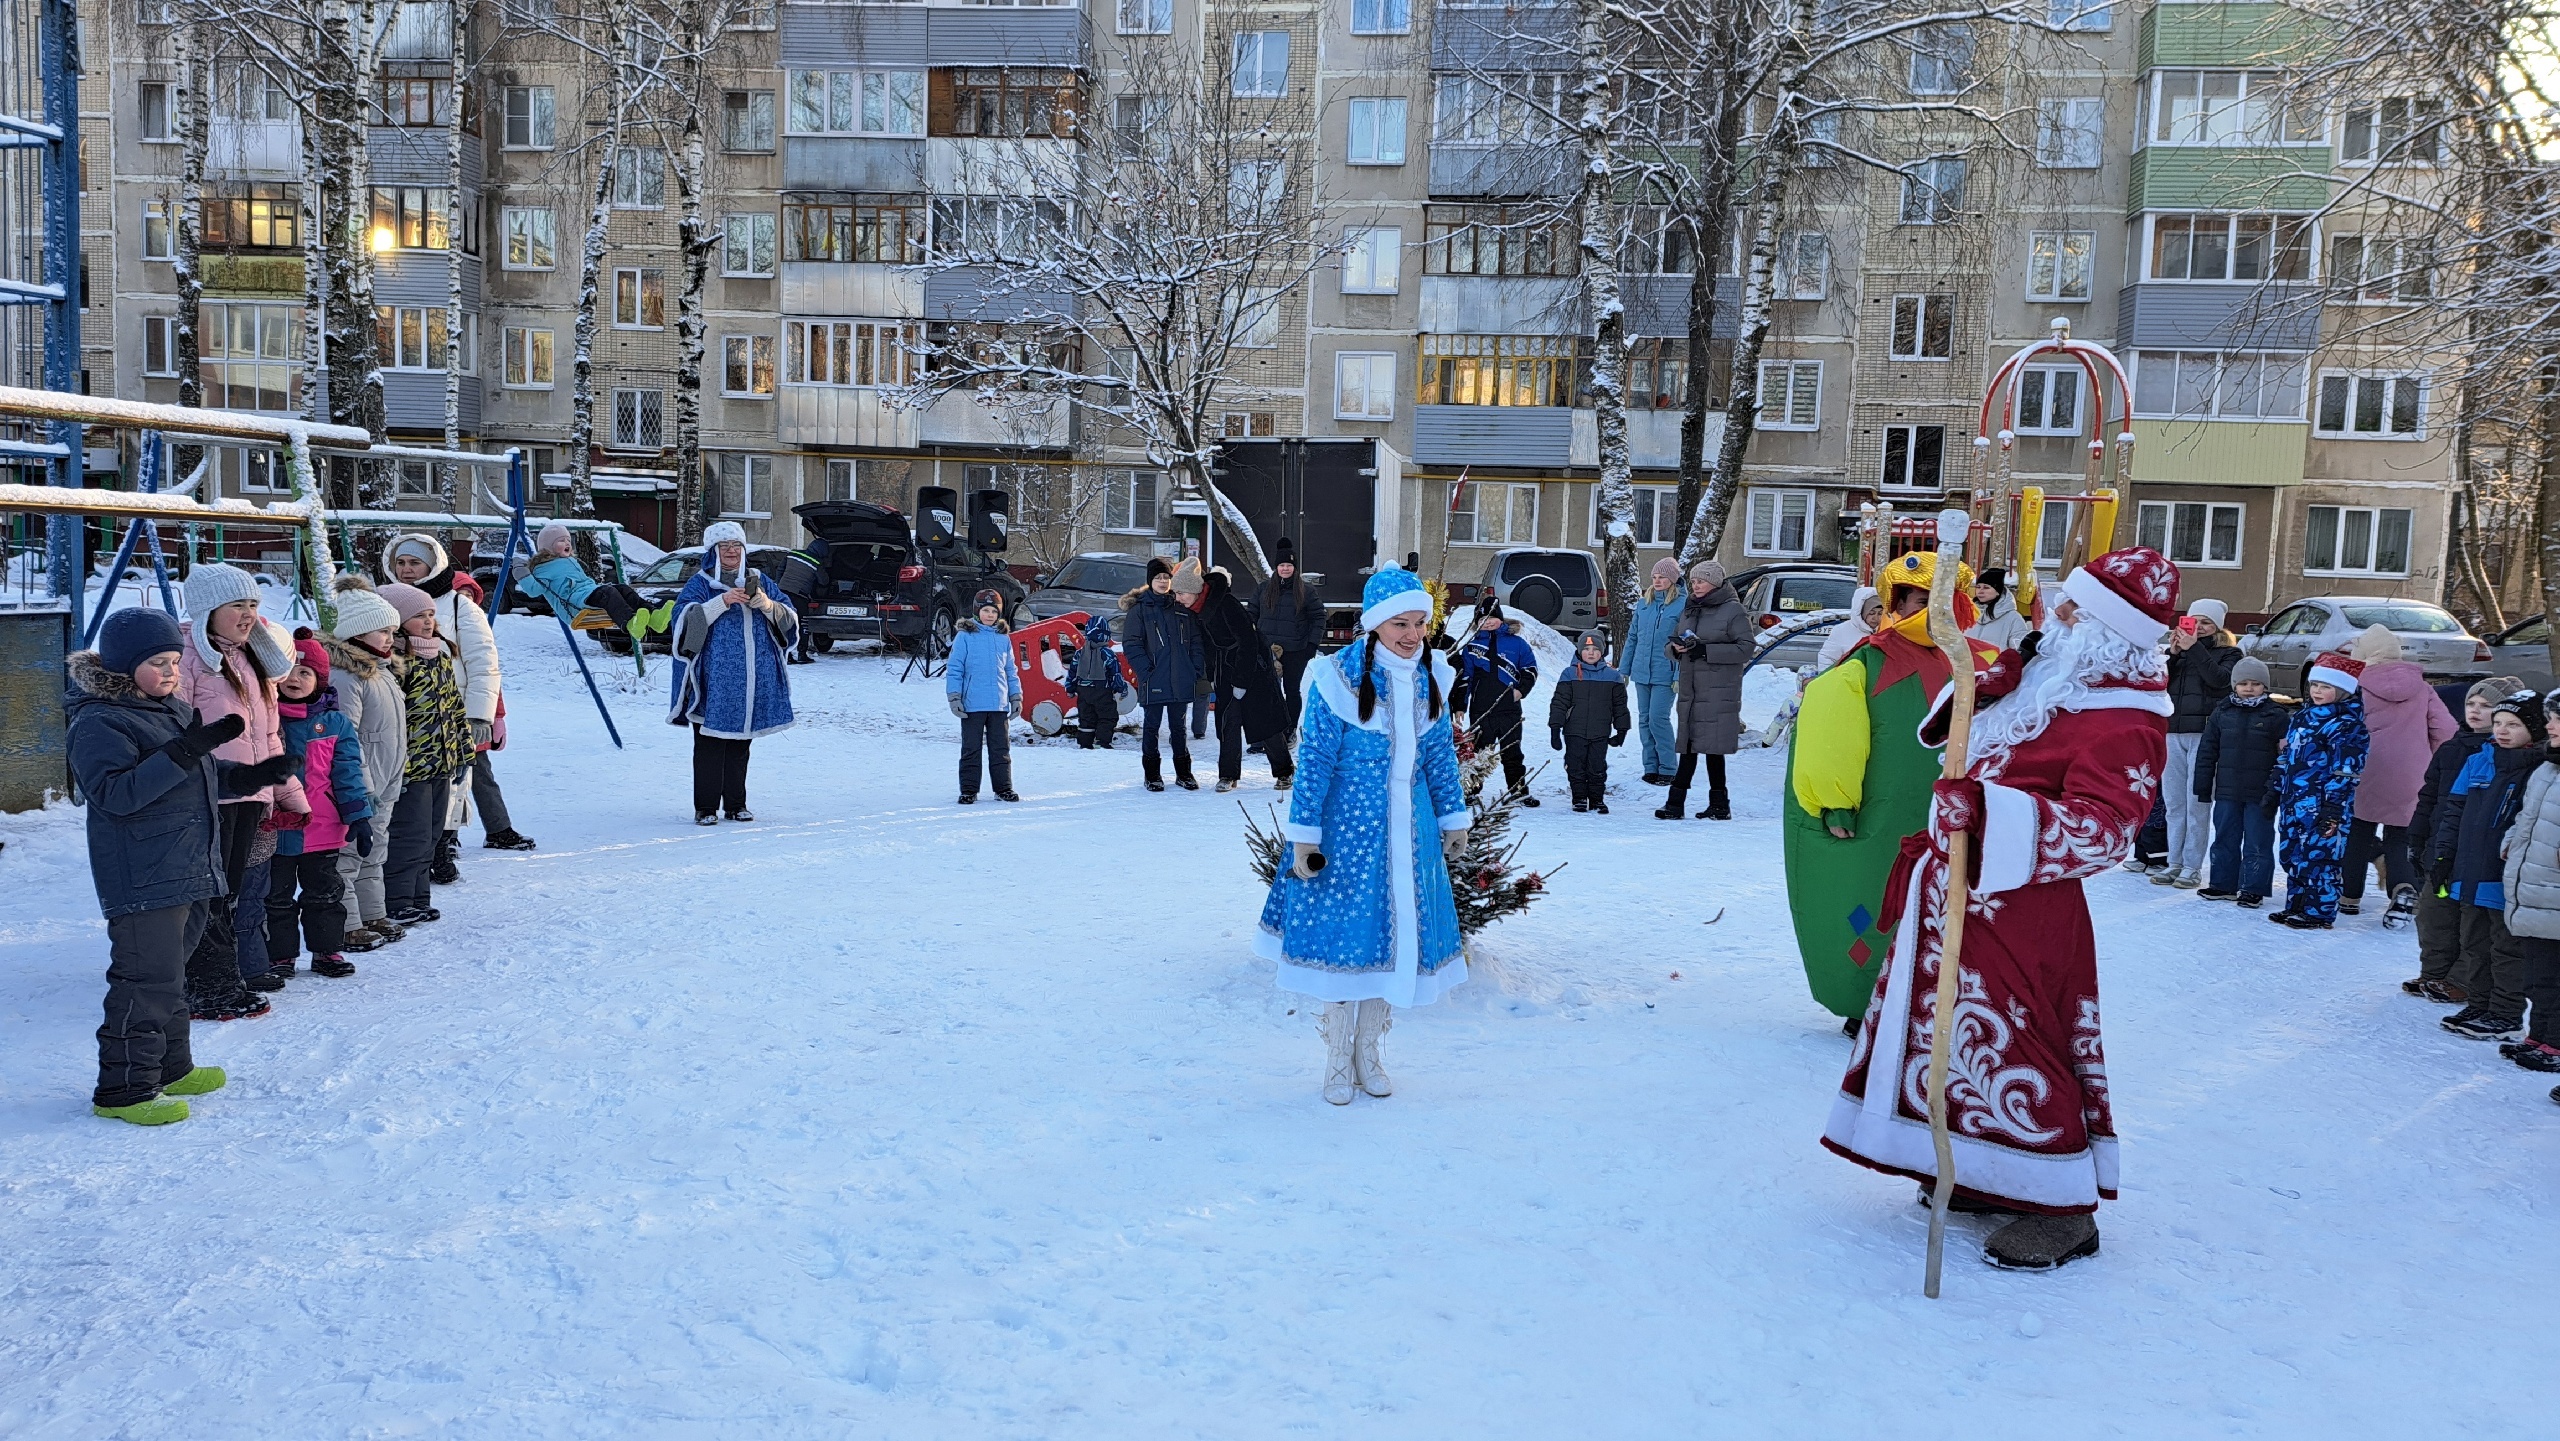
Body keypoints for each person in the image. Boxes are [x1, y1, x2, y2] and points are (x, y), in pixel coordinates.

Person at [1824, 545, 2181, 1271]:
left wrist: (1987, 812)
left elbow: (2105, 829)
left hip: (2024, 910)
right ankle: (1983, 1171)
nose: (2061, 611)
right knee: (1948, 1037)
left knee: (2022, 1046)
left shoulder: (2127, 719)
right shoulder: (2052, 677)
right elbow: (1961, 746)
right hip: (1955, 893)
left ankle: (2062, 1207)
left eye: (2078, 608)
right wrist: (1984, 690)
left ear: (2113, 631)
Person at [70, 608, 294, 1124]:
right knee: (144, 980)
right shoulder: (100, 720)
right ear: (124, 667)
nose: (171, 672)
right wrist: (186, 748)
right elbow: (115, 794)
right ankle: (124, 1090)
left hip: (189, 865)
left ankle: (170, 1067)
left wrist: (253, 775)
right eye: (158, 662)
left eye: (175, 660)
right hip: (143, 874)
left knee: (171, 977)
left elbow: (200, 775)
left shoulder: (168, 710)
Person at [1256, 567, 1470, 1105]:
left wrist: (1452, 817)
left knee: (1397, 944)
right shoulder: (1335, 678)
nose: (1412, 634)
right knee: (1347, 940)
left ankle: (1369, 1050)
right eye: (1400, 623)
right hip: (1350, 828)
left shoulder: (1433, 677)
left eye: (1419, 623)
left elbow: (1440, 755)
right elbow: (1315, 762)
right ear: (1375, 625)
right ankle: (1337, 1056)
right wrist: (1305, 837)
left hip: (1412, 830)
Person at [1785, 549, 2001, 1027]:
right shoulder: (1866, 664)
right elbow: (1831, 734)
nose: (1924, 611)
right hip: (1883, 821)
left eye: (1936, 601)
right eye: (1915, 600)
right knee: (1876, 905)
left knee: (1956, 912)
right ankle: (1869, 1002)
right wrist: (1836, 806)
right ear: (1895, 605)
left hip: (1964, 820)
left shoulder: (1986, 663)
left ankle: (1946, 1005)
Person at [177, 563, 302, 1019]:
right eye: (237, 606)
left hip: (250, 793)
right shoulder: (188, 656)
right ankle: (204, 984)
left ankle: (221, 976)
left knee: (230, 889)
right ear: (208, 610)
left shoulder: (253, 658)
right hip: (208, 794)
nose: (249, 614)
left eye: (253, 604)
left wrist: (287, 792)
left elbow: (270, 735)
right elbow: (177, 732)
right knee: (206, 891)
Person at [381, 533, 518, 874]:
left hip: (447, 713)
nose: (407, 569)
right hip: (398, 709)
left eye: (414, 562)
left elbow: (483, 661)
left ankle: (442, 846)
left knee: (449, 783)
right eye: (401, 562)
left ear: (432, 564)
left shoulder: (459, 606)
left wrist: (480, 715)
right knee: (401, 783)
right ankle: (402, 851)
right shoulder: (383, 602)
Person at [2432, 689, 2545, 1041]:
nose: (2503, 731)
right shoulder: (2480, 759)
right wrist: (2443, 856)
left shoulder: (2539, 770)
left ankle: (2506, 1011)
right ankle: (2480, 1002)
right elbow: (2454, 812)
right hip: (2468, 870)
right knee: (2473, 941)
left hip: (2504, 876)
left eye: (2513, 724)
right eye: (2498, 723)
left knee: (2506, 947)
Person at [667, 520, 798, 825]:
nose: (730, 551)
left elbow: (789, 617)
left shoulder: (759, 579)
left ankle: (736, 804)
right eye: (723, 546)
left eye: (736, 546)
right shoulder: (700, 583)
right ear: (713, 552)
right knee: (710, 744)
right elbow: (682, 624)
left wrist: (765, 604)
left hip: (752, 681)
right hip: (711, 681)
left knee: (741, 744)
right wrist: (721, 602)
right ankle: (706, 807)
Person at [266, 630, 370, 980]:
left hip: (321, 827)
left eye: (305, 673)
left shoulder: (335, 723)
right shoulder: (266, 716)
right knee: (275, 896)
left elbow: (348, 772)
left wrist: (359, 816)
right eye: (289, 671)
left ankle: (327, 950)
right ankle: (280, 955)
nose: (295, 679)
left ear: (320, 680)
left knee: (324, 893)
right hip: (276, 827)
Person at [2404, 678, 2516, 1002]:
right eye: (2471, 705)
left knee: (2472, 922)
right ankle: (2434, 973)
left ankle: (2462, 980)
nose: (2476, 712)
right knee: (2432, 913)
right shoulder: (2451, 748)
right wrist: (2417, 837)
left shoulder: (2502, 755)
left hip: (2477, 854)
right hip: (2443, 847)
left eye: (2486, 706)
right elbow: (2429, 797)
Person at [2341, 624, 2456, 925]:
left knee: (2358, 831)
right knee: (2400, 835)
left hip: (2364, 770)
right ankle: (2404, 890)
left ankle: (2349, 895)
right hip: (2412, 774)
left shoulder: (2356, 686)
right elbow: (2446, 731)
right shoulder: (2423, 688)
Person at [322, 580, 410, 954]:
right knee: (350, 850)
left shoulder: (381, 669)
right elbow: (347, 736)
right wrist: (361, 783)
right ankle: (347, 921)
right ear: (356, 632)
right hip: (361, 781)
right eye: (383, 631)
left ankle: (373, 912)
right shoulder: (346, 676)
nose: (391, 639)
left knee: (376, 847)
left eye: (393, 631)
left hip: (387, 775)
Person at [381, 581, 474, 926]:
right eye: (418, 616)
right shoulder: (397, 662)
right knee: (409, 833)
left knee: (432, 834)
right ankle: (397, 899)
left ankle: (419, 896)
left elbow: (454, 708)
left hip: (442, 761)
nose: (427, 621)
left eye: (431, 614)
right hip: (411, 765)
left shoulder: (441, 655)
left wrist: (464, 752)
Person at [2268, 653, 2370, 930]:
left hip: (2324, 803)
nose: (2317, 692)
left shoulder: (2348, 725)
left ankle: (2320, 911)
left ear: (2342, 690)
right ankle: (2297, 904)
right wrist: (2275, 784)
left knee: (2320, 856)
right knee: (2292, 853)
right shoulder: (2301, 717)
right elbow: (2287, 754)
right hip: (2294, 800)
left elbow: (2346, 770)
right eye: (2315, 686)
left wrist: (2333, 805)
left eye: (2326, 687)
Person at [2192, 656, 2291, 907]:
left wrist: (2277, 790)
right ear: (2234, 685)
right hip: (2227, 790)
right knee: (2225, 837)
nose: (2249, 688)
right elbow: (2207, 750)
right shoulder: (2222, 712)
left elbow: (2286, 756)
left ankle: (2252, 887)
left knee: (2258, 840)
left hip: (2261, 793)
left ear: (2265, 687)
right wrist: (2203, 785)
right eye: (2243, 683)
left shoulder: (2275, 715)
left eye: (2255, 684)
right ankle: (2222, 884)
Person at [2156, 598, 2238, 890]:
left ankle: (2192, 866)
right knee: (2174, 804)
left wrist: (2195, 649)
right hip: (2172, 732)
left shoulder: (2230, 653)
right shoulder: (2180, 652)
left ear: (2217, 626)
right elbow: (2158, 683)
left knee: (2197, 803)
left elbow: (2219, 681)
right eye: (2194, 621)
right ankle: (2174, 862)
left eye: (2206, 622)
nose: (2199, 628)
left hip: (2204, 735)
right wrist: (2174, 654)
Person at [1660, 560, 1751, 821]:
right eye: (1694, 581)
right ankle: (1683, 804)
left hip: (1718, 690)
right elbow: (1672, 640)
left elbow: (1746, 647)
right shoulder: (1691, 607)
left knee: (1712, 749)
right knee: (1690, 746)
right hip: (1692, 689)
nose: (1695, 585)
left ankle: (1709, 804)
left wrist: (1706, 651)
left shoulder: (1733, 611)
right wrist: (1675, 649)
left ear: (1714, 583)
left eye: (1700, 581)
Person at [2499, 690, 2560, 1071]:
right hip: (2534, 880)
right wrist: (2511, 840)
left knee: (2557, 973)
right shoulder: (2547, 768)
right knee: (2538, 971)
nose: (2549, 725)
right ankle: (2538, 1035)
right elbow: (2527, 815)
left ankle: (2556, 1043)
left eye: (2556, 719)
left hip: (2554, 887)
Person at [1202, 568, 1295, 792]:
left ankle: (1284, 771)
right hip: (1225, 672)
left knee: (1266, 723)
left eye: (1182, 593)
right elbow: (1208, 648)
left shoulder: (1228, 604)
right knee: (1228, 723)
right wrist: (1212, 674)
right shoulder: (1199, 610)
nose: (1180, 598)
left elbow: (1248, 642)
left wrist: (1242, 681)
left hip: (1253, 670)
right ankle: (1227, 774)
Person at [1121, 557, 1205, 792]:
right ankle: (1152, 774)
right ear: (1150, 580)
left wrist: (1195, 668)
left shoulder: (1181, 608)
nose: (1162, 582)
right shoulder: (1140, 610)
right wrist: (1146, 671)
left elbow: (1196, 641)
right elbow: (1132, 644)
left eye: (1166, 577)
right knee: (1152, 727)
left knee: (1179, 728)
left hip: (1181, 677)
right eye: (1158, 577)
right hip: (1154, 678)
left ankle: (1184, 772)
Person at [1454, 600, 1540, 805]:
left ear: (1499, 618)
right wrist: (1460, 705)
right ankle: (1471, 791)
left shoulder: (1516, 643)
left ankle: (1518, 791)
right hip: (1481, 710)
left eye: (1491, 618)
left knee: (1512, 752)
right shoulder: (1472, 646)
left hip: (1509, 709)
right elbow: (1465, 677)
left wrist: (1520, 691)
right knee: (1478, 754)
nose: (1488, 622)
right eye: (1482, 619)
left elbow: (1530, 669)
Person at [945, 589, 1021, 804]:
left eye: (994, 611)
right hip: (972, 704)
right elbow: (955, 669)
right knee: (971, 748)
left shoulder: (1002, 637)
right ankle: (969, 789)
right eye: (986, 610)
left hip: (998, 704)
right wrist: (954, 697)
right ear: (977, 611)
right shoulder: (965, 637)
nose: (990, 615)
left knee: (1001, 749)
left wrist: (1015, 696)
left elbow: (1011, 670)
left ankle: (1003, 788)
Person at [520, 522, 660, 635]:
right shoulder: (543, 568)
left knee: (622, 589)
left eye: (568, 540)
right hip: (575, 604)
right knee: (608, 592)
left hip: (587, 593)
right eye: (561, 541)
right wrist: (521, 573)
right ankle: (629, 623)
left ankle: (654, 616)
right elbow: (533, 590)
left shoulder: (571, 561)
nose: (567, 543)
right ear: (548, 548)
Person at [1548, 630, 1629, 813]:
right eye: (1586, 649)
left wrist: (1621, 729)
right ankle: (1579, 798)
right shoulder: (1569, 674)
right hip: (1574, 731)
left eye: (1594, 649)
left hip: (1600, 731)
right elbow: (1559, 703)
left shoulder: (1613, 676)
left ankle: (1597, 799)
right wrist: (1555, 728)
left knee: (1597, 766)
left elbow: (1620, 706)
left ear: (1602, 652)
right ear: (1579, 652)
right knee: (1575, 765)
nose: (1590, 653)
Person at [1250, 537, 1326, 729]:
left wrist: (1311, 645)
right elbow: (1251, 615)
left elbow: (1318, 618)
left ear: (1295, 568)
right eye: (1282, 565)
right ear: (1276, 567)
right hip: (1267, 650)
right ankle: (1266, 733)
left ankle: (1289, 729)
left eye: (1289, 565)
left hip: (1295, 650)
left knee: (1291, 691)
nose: (1285, 569)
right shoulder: (1263, 589)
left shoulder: (1306, 591)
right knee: (1266, 691)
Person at [1621, 558, 1684, 784]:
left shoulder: (1682, 605)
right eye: (1655, 577)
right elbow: (1633, 638)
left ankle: (1668, 767)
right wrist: (1624, 669)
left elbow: (1684, 645)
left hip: (1665, 673)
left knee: (1659, 718)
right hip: (1641, 671)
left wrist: (1678, 675)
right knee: (1645, 720)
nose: (1657, 581)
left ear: (1672, 580)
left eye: (1662, 577)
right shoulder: (1643, 604)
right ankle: (1650, 766)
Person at [1064, 611, 1126, 750]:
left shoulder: (1079, 653)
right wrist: (1121, 688)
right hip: (1102, 690)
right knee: (1107, 716)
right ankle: (1102, 742)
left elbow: (1072, 673)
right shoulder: (1108, 654)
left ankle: (1085, 743)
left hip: (1083, 691)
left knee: (1086, 718)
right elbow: (1115, 674)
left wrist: (1070, 688)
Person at [1814, 587, 1882, 673]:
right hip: (1848, 682)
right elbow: (1827, 658)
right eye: (1871, 613)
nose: (1875, 618)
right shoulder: (1842, 631)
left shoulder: (1886, 631)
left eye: (1880, 613)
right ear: (1861, 612)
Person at [1965, 567, 2031, 652]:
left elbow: (2018, 650)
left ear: (1998, 591)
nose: (1980, 591)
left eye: (1986, 587)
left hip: (1995, 664)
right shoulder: (1967, 613)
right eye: (1978, 587)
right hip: (1967, 664)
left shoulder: (2013, 618)